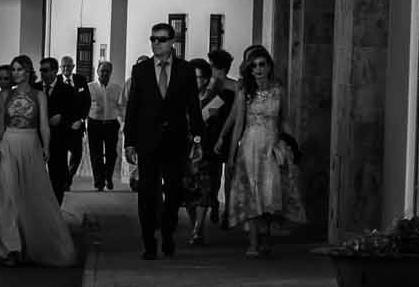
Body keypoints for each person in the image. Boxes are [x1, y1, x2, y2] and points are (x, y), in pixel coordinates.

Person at [124, 22, 205, 260]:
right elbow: (133, 109)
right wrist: (129, 141)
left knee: (173, 192)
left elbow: (193, 106)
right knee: (147, 193)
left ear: (172, 42)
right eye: (153, 39)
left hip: (175, 141)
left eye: (161, 39)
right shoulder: (141, 70)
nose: (156, 43)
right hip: (147, 141)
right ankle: (149, 241)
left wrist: (198, 138)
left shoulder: (185, 70)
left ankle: (168, 233)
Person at [218, 43, 306, 257]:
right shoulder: (245, 93)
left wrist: (291, 144)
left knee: (270, 194)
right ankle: (253, 242)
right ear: (249, 69)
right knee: (252, 194)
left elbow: (284, 120)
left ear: (269, 67)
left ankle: (266, 237)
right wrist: (231, 155)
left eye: (262, 65)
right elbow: (238, 123)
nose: (258, 69)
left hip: (272, 147)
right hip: (250, 148)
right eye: (254, 66)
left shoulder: (279, 92)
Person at [0, 54, 76, 266]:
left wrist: (46, 146)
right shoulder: (4, 95)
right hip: (8, 143)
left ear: (28, 71)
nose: (16, 73)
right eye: (14, 69)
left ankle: (32, 243)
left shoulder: (39, 96)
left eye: (20, 69)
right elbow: (0, 125)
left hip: (31, 144)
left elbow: (44, 124)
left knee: (31, 193)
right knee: (7, 195)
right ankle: (11, 248)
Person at [188, 57, 236, 245]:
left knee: (205, 191)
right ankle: (195, 226)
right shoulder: (181, 98)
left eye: (200, 77)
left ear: (207, 79)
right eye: (193, 77)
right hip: (187, 151)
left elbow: (214, 122)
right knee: (189, 193)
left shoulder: (216, 99)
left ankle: (198, 230)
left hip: (207, 151)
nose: (197, 81)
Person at [40, 57, 84, 203]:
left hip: (58, 139)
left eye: (46, 70)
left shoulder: (67, 90)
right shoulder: (36, 88)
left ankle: (56, 205)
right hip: (37, 138)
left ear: (54, 71)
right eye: (41, 70)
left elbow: (75, 112)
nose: (43, 73)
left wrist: (62, 118)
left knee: (57, 176)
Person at [85, 60, 124, 191]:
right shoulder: (89, 87)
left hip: (111, 124)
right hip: (94, 123)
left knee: (112, 154)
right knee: (96, 154)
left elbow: (121, 107)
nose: (105, 73)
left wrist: (123, 121)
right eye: (102, 71)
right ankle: (99, 182)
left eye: (107, 71)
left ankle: (108, 176)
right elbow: (84, 106)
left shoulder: (117, 88)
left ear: (111, 73)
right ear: (97, 72)